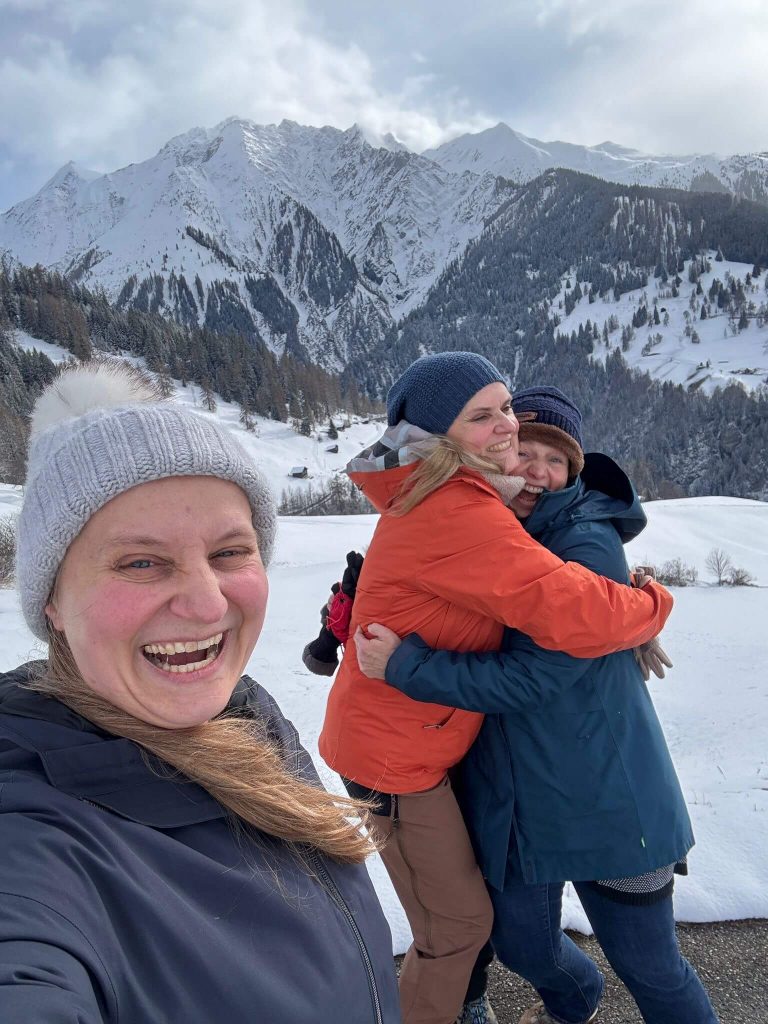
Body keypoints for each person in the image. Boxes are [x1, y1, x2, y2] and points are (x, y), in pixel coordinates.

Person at [0, 360, 400, 1024]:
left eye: (228, 554)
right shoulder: (35, 839)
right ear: (53, 605)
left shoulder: (247, 719)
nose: (206, 603)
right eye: (140, 561)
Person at [315, 352, 674, 1024]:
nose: (507, 425)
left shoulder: (447, 489)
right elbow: (570, 608)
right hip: (396, 759)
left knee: (462, 917)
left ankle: (498, 1003)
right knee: (455, 927)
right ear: (438, 435)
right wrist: (651, 605)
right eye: (483, 416)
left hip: (417, 746)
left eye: (505, 405)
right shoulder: (456, 509)